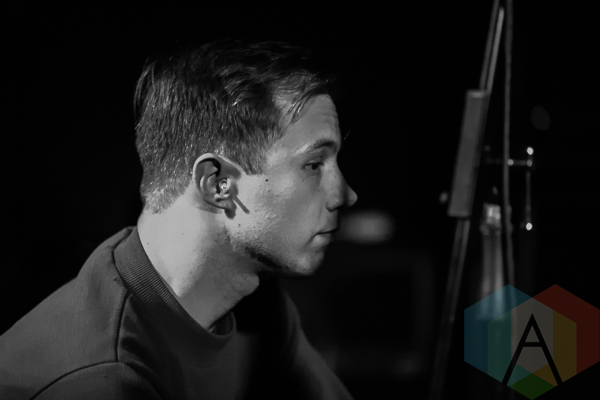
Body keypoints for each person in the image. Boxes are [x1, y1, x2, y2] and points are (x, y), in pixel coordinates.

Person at [0, 39, 357, 399]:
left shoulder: (258, 304)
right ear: (218, 184)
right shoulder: (101, 379)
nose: (345, 194)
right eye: (314, 165)